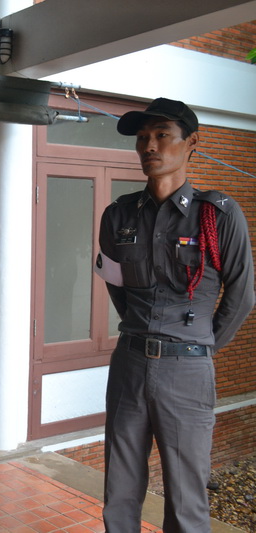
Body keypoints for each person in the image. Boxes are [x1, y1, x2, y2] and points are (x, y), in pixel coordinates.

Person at [96, 97, 254, 532]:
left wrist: (199, 346)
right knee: (119, 489)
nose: (149, 145)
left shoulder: (217, 216)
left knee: (186, 497)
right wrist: (141, 331)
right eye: (142, 138)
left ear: (191, 144)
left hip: (188, 370)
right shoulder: (118, 215)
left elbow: (241, 295)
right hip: (129, 364)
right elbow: (116, 283)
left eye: (162, 135)